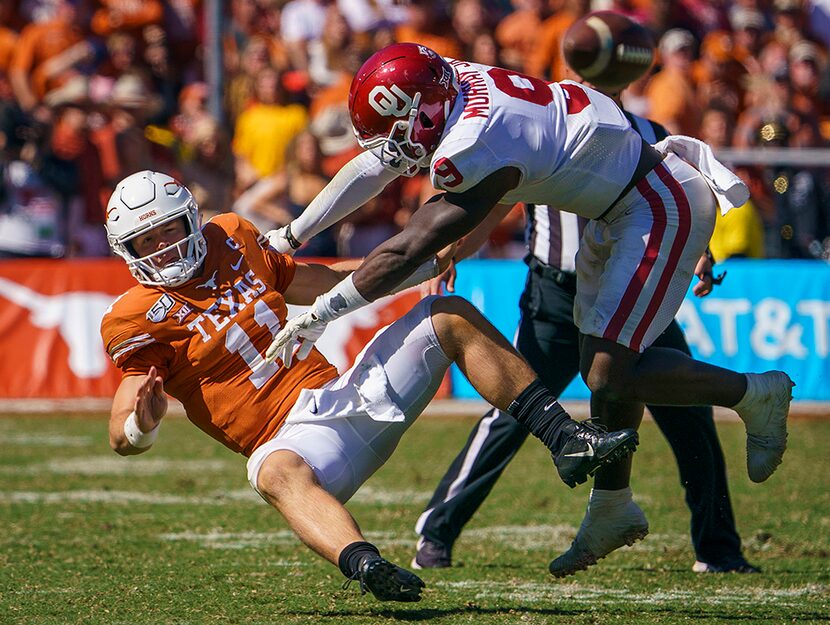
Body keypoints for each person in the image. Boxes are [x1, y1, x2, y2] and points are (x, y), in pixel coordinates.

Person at [264, 42, 793, 575]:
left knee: (609, 375)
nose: (391, 148)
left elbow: (409, 248)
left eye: (397, 131)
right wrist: (289, 236)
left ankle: (754, 393)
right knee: (605, 371)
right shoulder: (453, 79)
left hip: (655, 208)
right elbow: (378, 167)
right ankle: (611, 508)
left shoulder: (471, 142)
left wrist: (320, 312)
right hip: (615, 216)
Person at [101, 170, 639, 602]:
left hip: (344, 397)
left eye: (169, 230)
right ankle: (367, 564)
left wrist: (417, 265)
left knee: (447, 315)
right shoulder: (134, 316)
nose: (163, 248)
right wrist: (139, 425)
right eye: (145, 241)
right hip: (297, 447)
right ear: (126, 250)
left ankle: (565, 439)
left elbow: (327, 282)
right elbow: (122, 428)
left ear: (191, 220)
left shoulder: (233, 238)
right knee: (272, 472)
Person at [412, 14, 759, 576]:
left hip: (630, 291)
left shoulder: (647, 131)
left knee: (689, 415)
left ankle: (719, 549)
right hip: (555, 295)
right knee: (515, 413)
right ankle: (436, 531)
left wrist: (700, 253)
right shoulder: (549, 124)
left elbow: (676, 201)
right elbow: (498, 203)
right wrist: (453, 247)